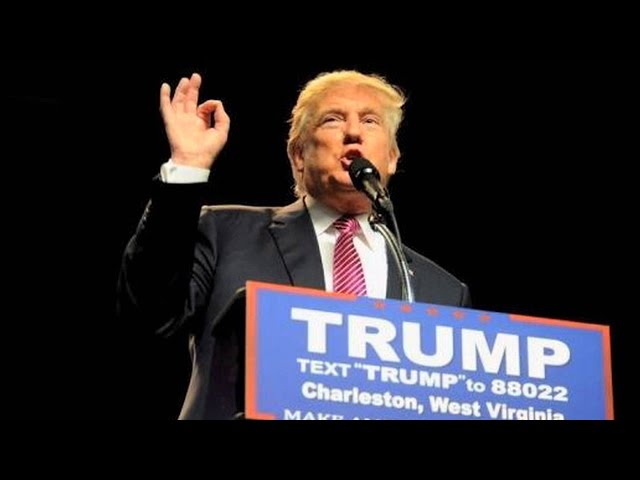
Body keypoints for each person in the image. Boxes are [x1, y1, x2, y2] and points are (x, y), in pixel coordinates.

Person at [117, 70, 471, 419]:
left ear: (392, 157)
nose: (353, 132)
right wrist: (187, 167)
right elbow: (148, 315)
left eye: (370, 121)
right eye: (333, 120)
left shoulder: (443, 292)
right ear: (298, 155)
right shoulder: (226, 234)